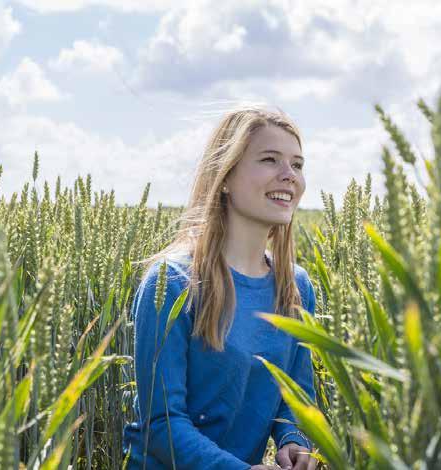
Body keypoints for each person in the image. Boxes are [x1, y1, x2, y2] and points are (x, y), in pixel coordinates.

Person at [122, 105, 319, 470]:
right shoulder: (172, 282)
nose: (288, 175)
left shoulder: (296, 287)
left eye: (298, 164)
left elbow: (295, 395)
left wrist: (294, 439)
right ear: (225, 177)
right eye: (269, 159)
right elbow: (162, 424)